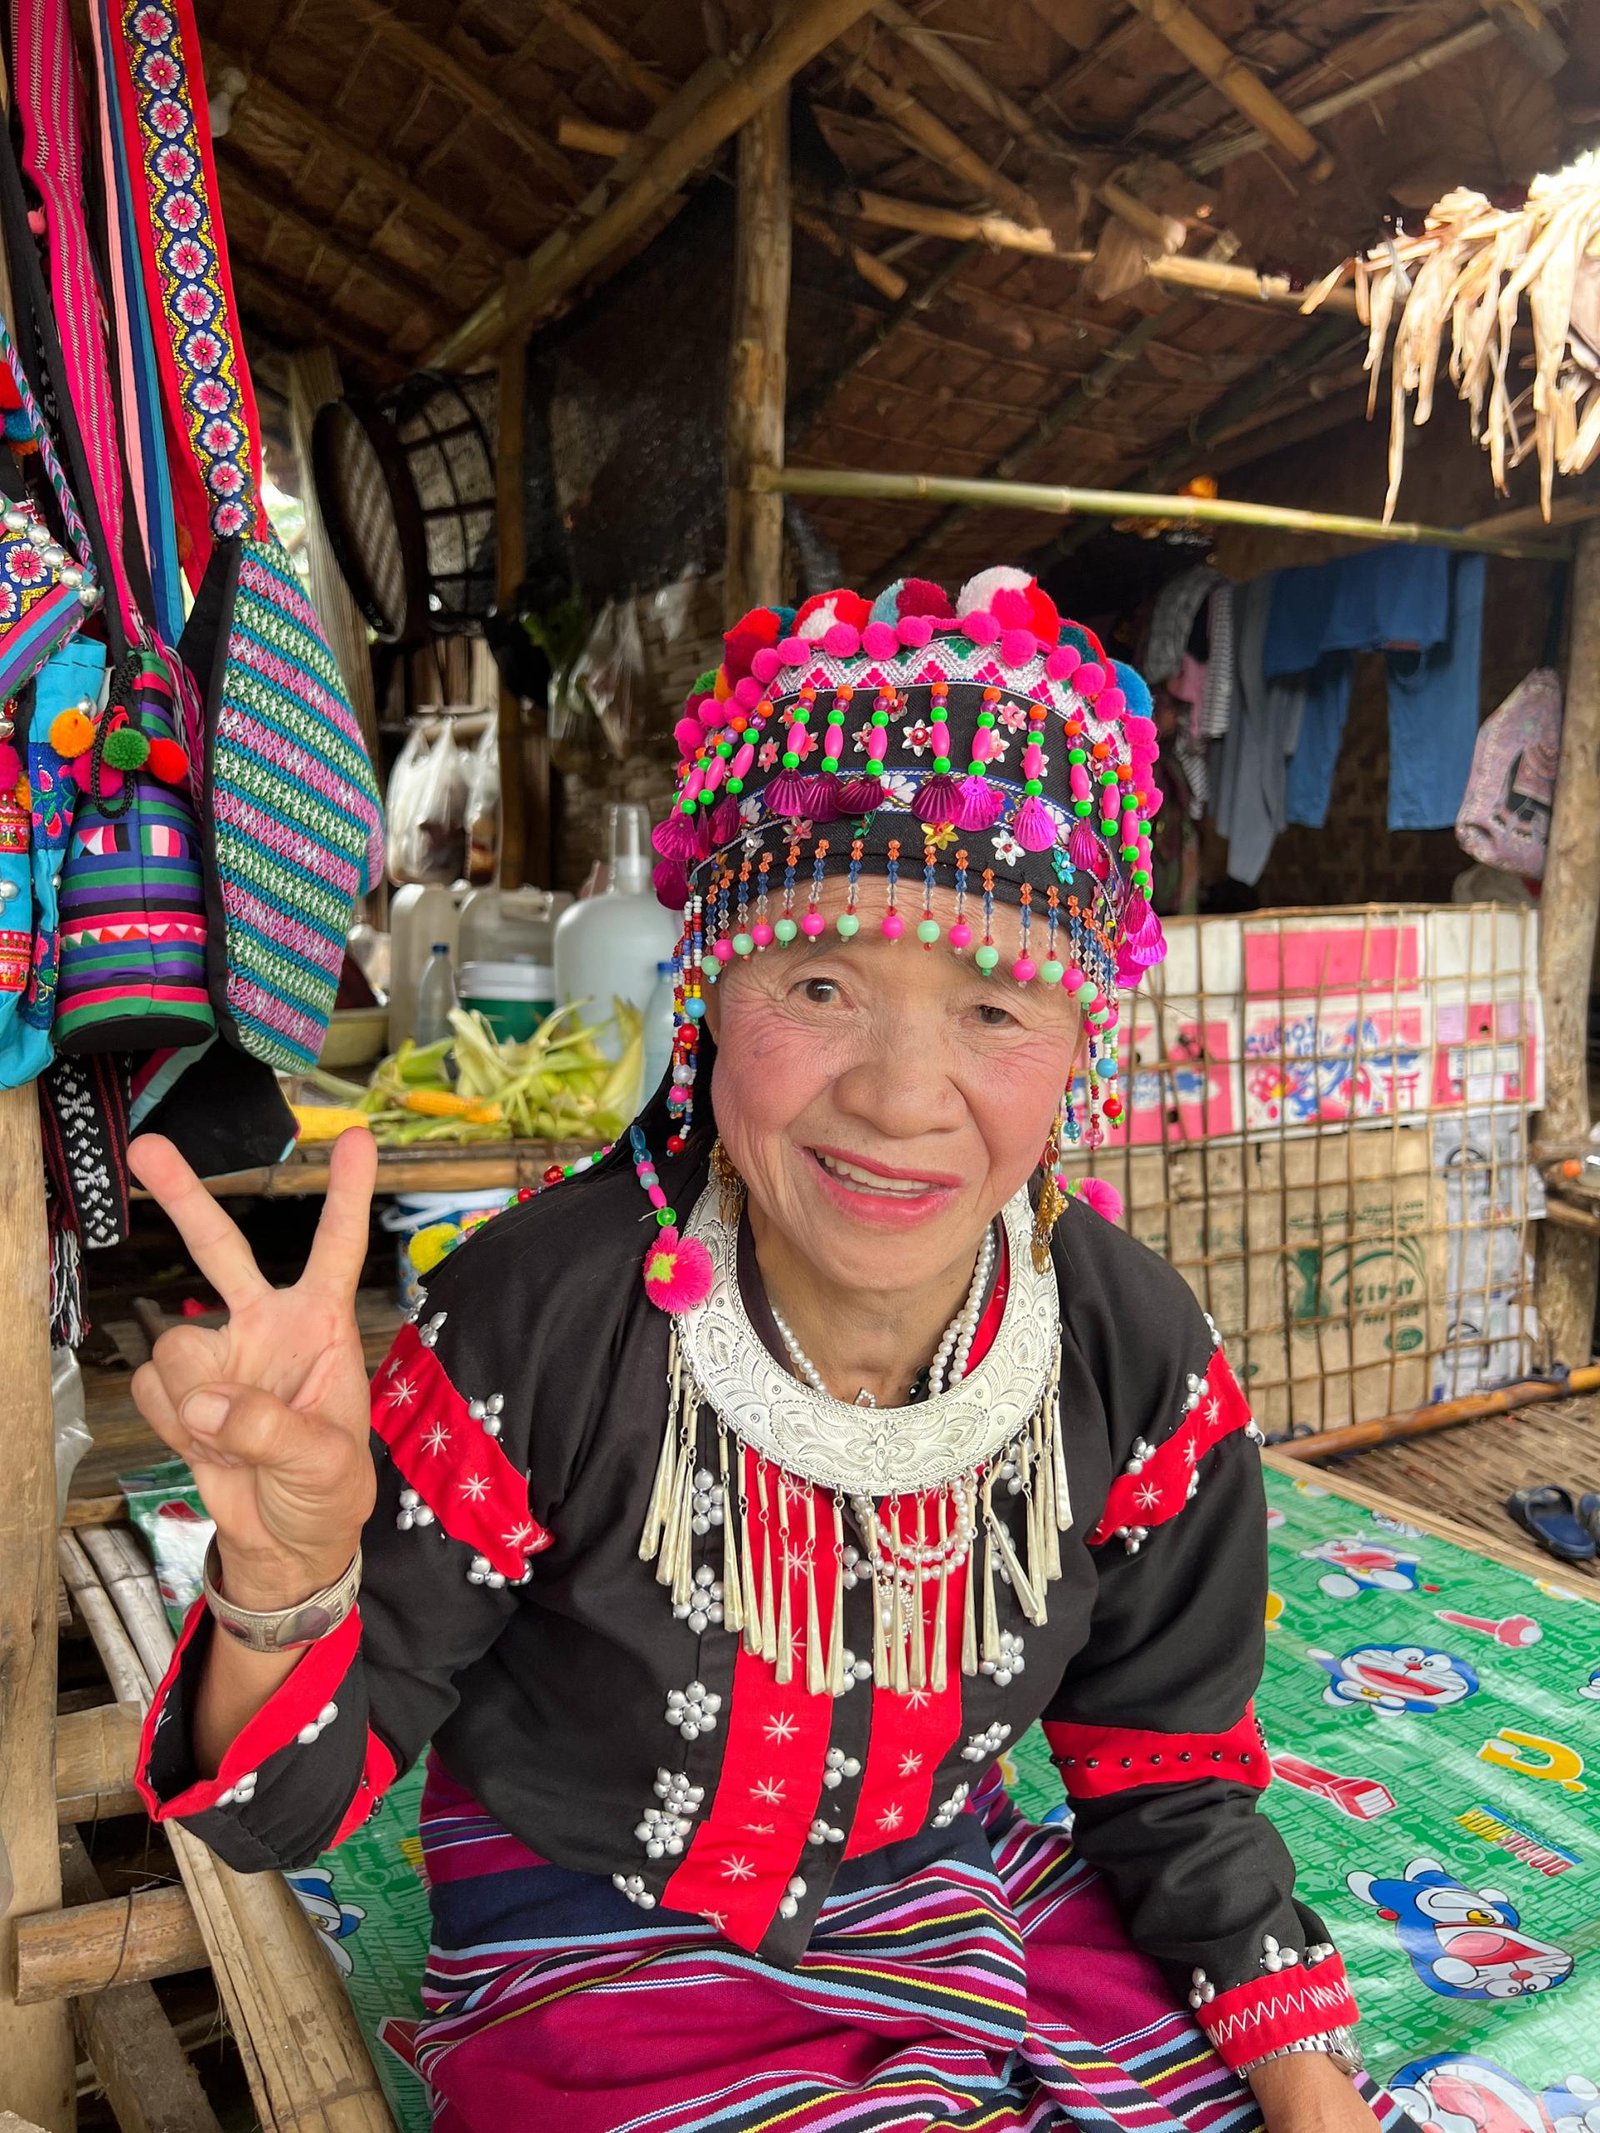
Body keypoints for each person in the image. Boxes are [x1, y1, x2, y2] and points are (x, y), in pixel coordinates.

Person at [131, 572, 1408, 2133]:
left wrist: (1313, 2095)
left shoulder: (1132, 1355)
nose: (900, 1094)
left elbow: (1167, 1771)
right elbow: (281, 1808)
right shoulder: (542, 1319)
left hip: (955, 1894)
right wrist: (287, 1577)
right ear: (709, 992)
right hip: (587, 1940)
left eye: (998, 1006)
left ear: (1085, 1039)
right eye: (822, 984)